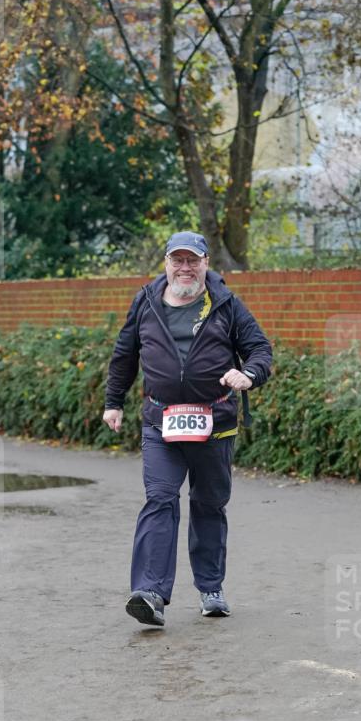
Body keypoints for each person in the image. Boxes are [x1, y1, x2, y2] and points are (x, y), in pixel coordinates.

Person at [103, 231, 272, 628]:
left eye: (192, 260)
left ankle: (211, 588)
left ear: (205, 263)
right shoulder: (146, 302)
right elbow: (125, 354)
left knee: (208, 504)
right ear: (165, 264)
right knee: (160, 499)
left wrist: (248, 374)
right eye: (177, 260)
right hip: (160, 421)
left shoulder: (226, 304)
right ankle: (149, 593)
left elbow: (259, 348)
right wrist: (113, 402)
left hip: (215, 423)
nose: (185, 268)